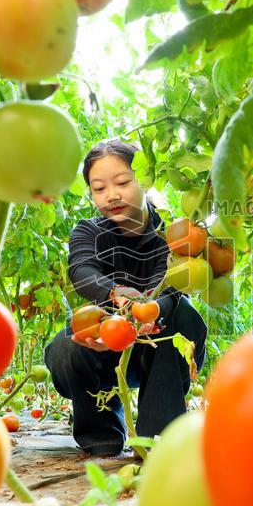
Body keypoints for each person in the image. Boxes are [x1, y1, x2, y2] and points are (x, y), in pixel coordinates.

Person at [44, 139, 208, 456]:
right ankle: (101, 430)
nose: (112, 195)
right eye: (99, 188)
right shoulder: (87, 231)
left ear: (144, 181)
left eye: (122, 182)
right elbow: (81, 270)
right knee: (65, 347)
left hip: (158, 348)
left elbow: (173, 288)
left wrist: (147, 313)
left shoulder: (171, 232)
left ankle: (158, 434)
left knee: (184, 314)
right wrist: (117, 297)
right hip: (104, 344)